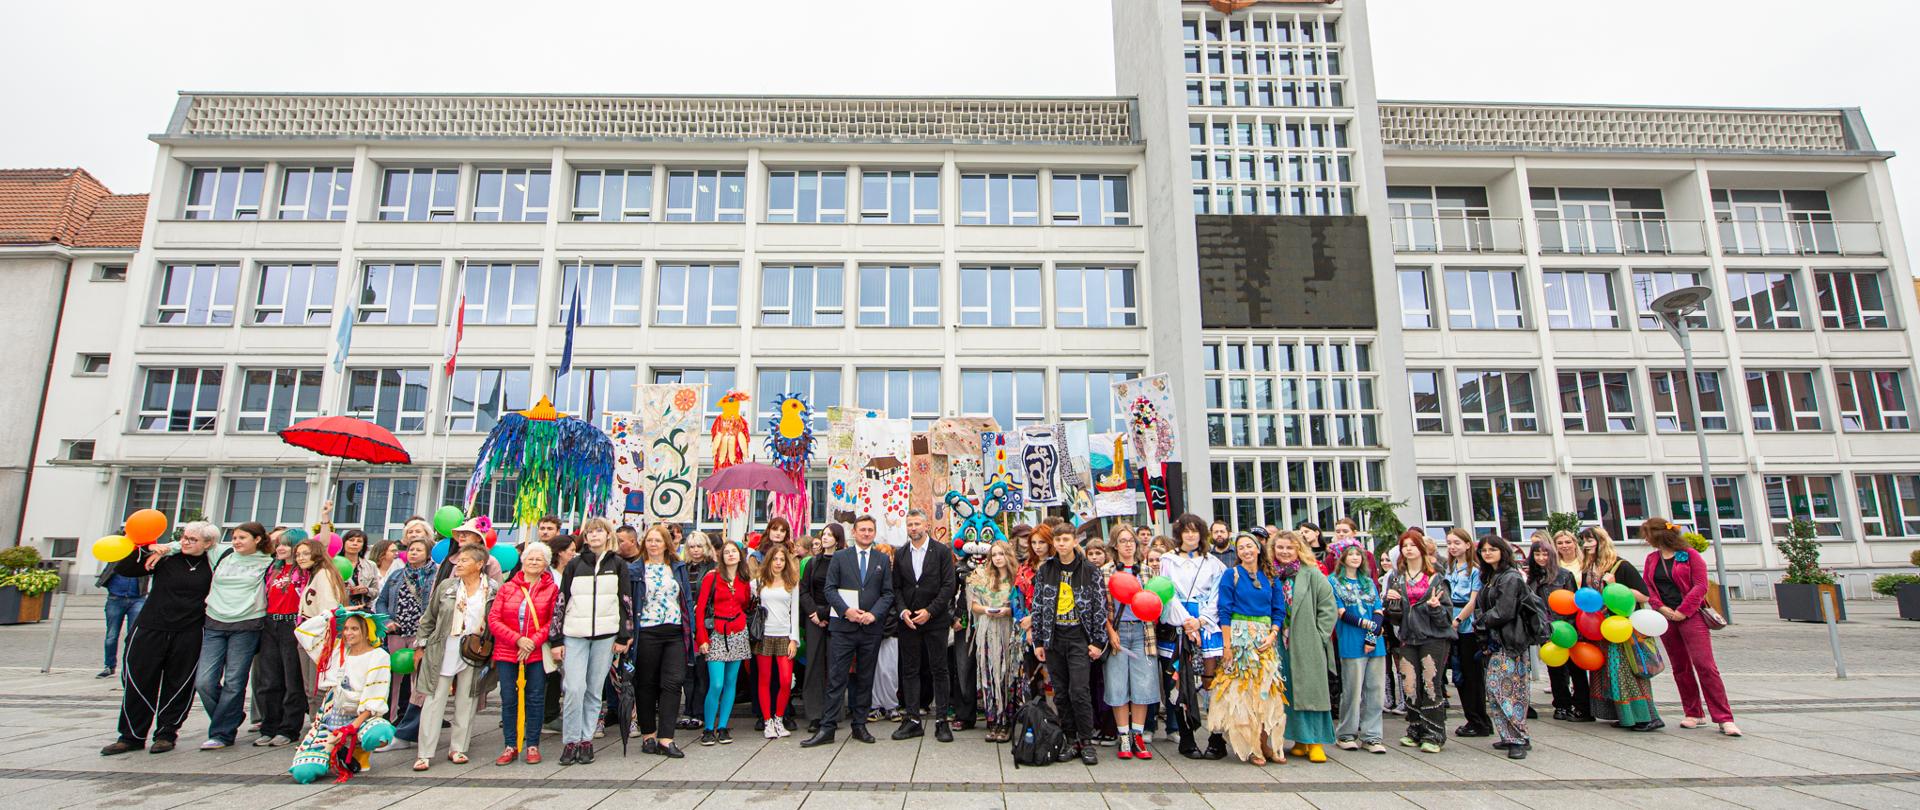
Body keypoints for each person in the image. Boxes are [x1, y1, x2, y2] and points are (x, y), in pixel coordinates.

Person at [146, 520, 271, 750]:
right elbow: (194, 542)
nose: (236, 541)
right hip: (214, 623)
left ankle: (222, 733)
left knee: (234, 681)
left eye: (242, 538)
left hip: (247, 625)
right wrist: (164, 548)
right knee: (204, 681)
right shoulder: (222, 554)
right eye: (234, 537)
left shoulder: (268, 562)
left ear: (258, 540)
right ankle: (230, 716)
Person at [100, 522, 217, 756]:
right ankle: (131, 735)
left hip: (189, 631)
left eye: (192, 539)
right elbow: (126, 568)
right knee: (138, 680)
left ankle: (166, 733)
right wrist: (145, 548)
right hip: (151, 627)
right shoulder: (165, 558)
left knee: (179, 684)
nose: (185, 542)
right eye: (183, 537)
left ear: (208, 544)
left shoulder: (214, 563)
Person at [802, 515, 895, 748]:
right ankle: (828, 727)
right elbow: (829, 589)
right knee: (836, 677)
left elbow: (888, 593)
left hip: (870, 628)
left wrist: (873, 614)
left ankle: (860, 725)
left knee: (865, 678)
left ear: (874, 533)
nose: (866, 533)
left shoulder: (881, 559)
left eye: (870, 530)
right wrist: (846, 611)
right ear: (854, 532)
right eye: (862, 529)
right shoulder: (841, 557)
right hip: (843, 627)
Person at [1641, 518, 1739, 737]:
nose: (1645, 539)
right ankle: (1693, 712)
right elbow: (1648, 586)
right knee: (1680, 667)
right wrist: (1661, 608)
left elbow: (1701, 585)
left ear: (1658, 535)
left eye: (1647, 534)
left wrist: (1684, 610)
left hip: (1691, 616)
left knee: (1705, 665)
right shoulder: (1651, 559)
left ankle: (1724, 718)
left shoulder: (1690, 555)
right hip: (1665, 617)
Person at [552, 517, 633, 764]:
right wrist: (556, 639)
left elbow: (625, 602)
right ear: (585, 538)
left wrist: (624, 635)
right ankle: (570, 741)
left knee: (594, 690)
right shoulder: (575, 564)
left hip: (606, 635)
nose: (594, 535)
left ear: (608, 535)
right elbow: (562, 601)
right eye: (590, 532)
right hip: (575, 633)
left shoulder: (618, 564)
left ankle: (586, 739)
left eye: (599, 531)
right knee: (574, 688)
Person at [410, 544, 496, 771]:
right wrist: (420, 645)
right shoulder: (447, 587)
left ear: (479, 565)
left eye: (465, 560)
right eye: (458, 559)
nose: (458, 563)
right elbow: (429, 618)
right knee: (434, 699)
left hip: (474, 649)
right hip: (443, 647)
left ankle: (458, 748)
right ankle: (424, 753)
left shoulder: (493, 589)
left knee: (467, 700)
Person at [1031, 524, 1110, 765]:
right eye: (1058, 540)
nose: (1061, 544)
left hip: (1079, 637)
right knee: (1061, 693)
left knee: (1079, 691)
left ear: (1075, 541)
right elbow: (1038, 606)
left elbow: (1100, 606)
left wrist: (1098, 641)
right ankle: (1070, 738)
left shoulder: (1089, 570)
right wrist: (1039, 640)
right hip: (1054, 638)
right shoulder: (1047, 569)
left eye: (1066, 539)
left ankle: (1086, 741)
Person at [1206, 534, 1287, 765]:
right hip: (1240, 638)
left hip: (1264, 639)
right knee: (1244, 695)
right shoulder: (1230, 575)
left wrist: (1272, 634)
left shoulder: (1271, 577)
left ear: (1258, 549)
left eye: (1249, 546)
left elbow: (1278, 609)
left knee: (1266, 692)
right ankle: (1252, 748)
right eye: (1241, 547)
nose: (1245, 550)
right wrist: (1227, 645)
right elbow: (1224, 610)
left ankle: (1264, 743)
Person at [288, 608, 392, 783]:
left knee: (379, 734)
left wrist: (350, 729)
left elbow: (375, 699)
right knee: (303, 773)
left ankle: (358, 751)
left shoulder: (379, 656)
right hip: (331, 717)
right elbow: (303, 631)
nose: (348, 633)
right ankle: (335, 755)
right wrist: (332, 613)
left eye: (355, 629)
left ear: (367, 631)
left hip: (361, 716)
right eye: (346, 628)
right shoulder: (336, 651)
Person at [1580, 527, 1662, 731]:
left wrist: (1617, 586)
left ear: (1602, 541)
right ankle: (1624, 716)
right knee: (1608, 673)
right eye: (1584, 540)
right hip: (1601, 628)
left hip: (1623, 630)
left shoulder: (1621, 566)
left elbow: (1644, 595)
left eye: (1590, 540)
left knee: (1627, 671)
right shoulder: (1588, 568)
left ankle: (1647, 717)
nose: (1587, 544)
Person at [1158, 513, 1227, 759]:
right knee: (1179, 681)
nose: (1190, 535)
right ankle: (1186, 737)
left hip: (1206, 625)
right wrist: (1186, 621)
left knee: (1212, 683)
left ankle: (1216, 737)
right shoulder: (1167, 560)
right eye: (1186, 531)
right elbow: (1166, 591)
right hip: (1178, 624)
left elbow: (1219, 595)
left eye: (1195, 531)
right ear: (1179, 534)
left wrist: (1200, 621)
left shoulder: (1215, 564)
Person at [1384, 531, 1454, 753]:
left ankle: (1433, 733)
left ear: (1421, 549)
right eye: (1404, 545)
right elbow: (1393, 617)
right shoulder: (1397, 577)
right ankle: (1415, 728)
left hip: (1433, 637)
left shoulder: (1436, 577)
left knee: (1430, 683)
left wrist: (1435, 607)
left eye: (1413, 545)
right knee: (1409, 683)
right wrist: (1390, 603)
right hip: (1407, 636)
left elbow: (1446, 617)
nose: (1408, 549)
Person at [890, 509, 957, 742]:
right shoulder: (900, 554)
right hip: (909, 622)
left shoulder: (941, 552)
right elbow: (896, 587)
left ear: (926, 526)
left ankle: (941, 722)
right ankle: (913, 720)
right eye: (909, 524)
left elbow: (949, 586)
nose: (913, 528)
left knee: (939, 669)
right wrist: (902, 611)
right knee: (910, 670)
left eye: (917, 524)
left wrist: (930, 611)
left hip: (935, 620)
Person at [489, 541, 558, 765]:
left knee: (536, 698)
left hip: (535, 652)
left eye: (539, 559)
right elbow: (494, 619)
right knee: (509, 697)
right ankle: (511, 743)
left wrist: (533, 641)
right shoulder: (508, 588)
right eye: (530, 558)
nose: (534, 562)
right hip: (507, 650)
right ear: (523, 561)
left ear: (546, 564)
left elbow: (552, 621)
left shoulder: (552, 589)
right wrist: (517, 639)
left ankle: (533, 745)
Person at [629, 524, 693, 758]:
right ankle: (649, 734)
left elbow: (685, 598)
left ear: (667, 544)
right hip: (647, 630)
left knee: (673, 682)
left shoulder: (677, 567)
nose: (653, 544)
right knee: (646, 684)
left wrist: (691, 631)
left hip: (674, 630)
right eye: (649, 540)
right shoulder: (635, 570)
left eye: (658, 540)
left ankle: (667, 738)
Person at [1272, 530, 1336, 763]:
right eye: (1280, 548)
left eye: (1289, 548)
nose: (1285, 552)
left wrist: (1319, 635)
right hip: (1280, 641)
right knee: (1289, 692)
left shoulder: (1312, 573)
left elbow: (1328, 607)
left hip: (1306, 640)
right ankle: (1299, 739)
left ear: (1298, 549)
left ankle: (1316, 741)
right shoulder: (1273, 575)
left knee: (1311, 691)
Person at [255, 533, 321, 748]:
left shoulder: (305, 571)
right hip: (270, 623)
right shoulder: (272, 568)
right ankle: (269, 726)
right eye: (279, 544)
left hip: (293, 624)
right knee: (269, 679)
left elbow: (324, 548)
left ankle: (289, 728)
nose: (281, 548)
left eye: (286, 544)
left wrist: (325, 519)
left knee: (292, 678)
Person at [372, 535, 435, 751]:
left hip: (421, 635)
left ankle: (412, 728)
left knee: (419, 684)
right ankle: (388, 725)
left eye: (418, 549)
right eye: (410, 549)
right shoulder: (397, 575)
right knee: (392, 680)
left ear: (428, 552)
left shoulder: (435, 575)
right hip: (397, 633)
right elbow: (381, 601)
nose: (413, 553)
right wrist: (386, 621)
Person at [1472, 534, 1533, 759]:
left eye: (1492, 549)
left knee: (1507, 691)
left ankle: (1517, 739)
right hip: (1496, 642)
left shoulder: (1510, 578)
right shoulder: (1491, 576)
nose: (1487, 553)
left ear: (1502, 551)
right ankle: (1512, 735)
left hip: (1511, 642)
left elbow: (1504, 611)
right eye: (1484, 550)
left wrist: (1480, 621)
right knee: (1496, 689)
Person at [1103, 527, 1158, 760]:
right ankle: (1123, 734)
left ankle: (1138, 733)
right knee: (1117, 684)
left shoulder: (1147, 571)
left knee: (1142, 684)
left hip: (1142, 631)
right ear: (1115, 545)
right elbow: (1101, 607)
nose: (1127, 545)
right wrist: (1110, 632)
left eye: (1131, 541)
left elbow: (1157, 601)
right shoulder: (1105, 571)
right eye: (1122, 541)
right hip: (1117, 632)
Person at [1330, 541, 1387, 754]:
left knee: (1375, 689)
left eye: (1358, 554)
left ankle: (1372, 735)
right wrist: (1367, 626)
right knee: (1353, 690)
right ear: (1342, 558)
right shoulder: (1334, 581)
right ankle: (1346, 733)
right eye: (1351, 554)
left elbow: (1378, 609)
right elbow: (1340, 611)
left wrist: (1372, 635)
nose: (1355, 557)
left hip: (1375, 641)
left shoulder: (1368, 582)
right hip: (1351, 639)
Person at [695, 539, 752, 745]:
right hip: (716, 634)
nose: (730, 555)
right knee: (716, 683)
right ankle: (708, 727)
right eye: (727, 552)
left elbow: (746, 604)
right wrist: (701, 637)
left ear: (740, 555)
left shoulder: (744, 579)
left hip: (738, 633)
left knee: (730, 683)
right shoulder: (712, 577)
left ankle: (723, 726)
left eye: (734, 551)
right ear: (721, 556)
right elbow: (700, 609)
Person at [968, 539, 1020, 743]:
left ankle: (1006, 720)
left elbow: (1021, 605)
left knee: (1007, 674)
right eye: (994, 555)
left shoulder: (1017, 579)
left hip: (1008, 630)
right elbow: (974, 606)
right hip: (988, 629)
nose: (998, 558)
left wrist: (1009, 611)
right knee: (990, 673)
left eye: (1001, 554)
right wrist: (988, 610)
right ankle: (993, 720)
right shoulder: (983, 578)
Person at [1531, 535, 1588, 722]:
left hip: (1567, 628)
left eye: (1544, 554)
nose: (1541, 558)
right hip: (1546, 629)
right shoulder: (1532, 579)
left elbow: (1572, 603)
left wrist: (1571, 628)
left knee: (1575, 669)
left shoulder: (1564, 575)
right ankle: (1561, 704)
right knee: (1555, 668)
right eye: (1537, 554)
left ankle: (1582, 705)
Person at [1443, 528, 1492, 739]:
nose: (1453, 547)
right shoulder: (1451, 567)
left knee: (1472, 675)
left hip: (1468, 626)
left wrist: (1458, 620)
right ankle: (1471, 717)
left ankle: (1479, 719)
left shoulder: (1475, 570)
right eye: (1450, 543)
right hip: (1451, 620)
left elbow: (1473, 600)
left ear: (1468, 545)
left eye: (1457, 543)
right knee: (1459, 673)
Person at [753, 541, 802, 739]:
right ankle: (767, 721)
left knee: (784, 680)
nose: (779, 563)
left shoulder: (792, 582)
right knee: (764, 680)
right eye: (775, 559)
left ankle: (779, 718)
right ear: (769, 560)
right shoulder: (759, 582)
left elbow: (795, 612)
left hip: (784, 635)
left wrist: (794, 639)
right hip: (764, 635)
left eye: (782, 559)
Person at [799, 522, 843, 733]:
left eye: (829, 535)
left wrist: (825, 612)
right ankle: (815, 714)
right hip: (814, 618)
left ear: (838, 539)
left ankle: (833, 713)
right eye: (823, 534)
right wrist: (814, 613)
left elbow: (842, 591)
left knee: (835, 665)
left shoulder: (843, 562)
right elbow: (804, 590)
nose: (825, 538)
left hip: (835, 616)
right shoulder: (812, 562)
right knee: (814, 666)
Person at [679, 531, 716, 732]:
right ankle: (688, 711)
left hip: (705, 623)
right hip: (685, 624)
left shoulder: (712, 568)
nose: (695, 550)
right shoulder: (681, 568)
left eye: (699, 546)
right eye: (692, 546)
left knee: (702, 671)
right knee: (688, 671)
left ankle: (699, 712)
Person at [97, 560, 148, 679]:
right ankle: (109, 666)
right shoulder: (117, 557)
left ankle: (130, 667)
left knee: (133, 636)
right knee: (111, 635)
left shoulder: (142, 557)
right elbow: (107, 572)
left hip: (137, 599)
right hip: (115, 599)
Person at [338, 529, 380, 609]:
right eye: (351, 540)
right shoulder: (335, 563)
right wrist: (347, 590)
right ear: (344, 543)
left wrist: (366, 590)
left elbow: (376, 591)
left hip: (363, 610)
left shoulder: (371, 565)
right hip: (340, 609)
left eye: (359, 541)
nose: (355, 543)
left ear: (363, 545)